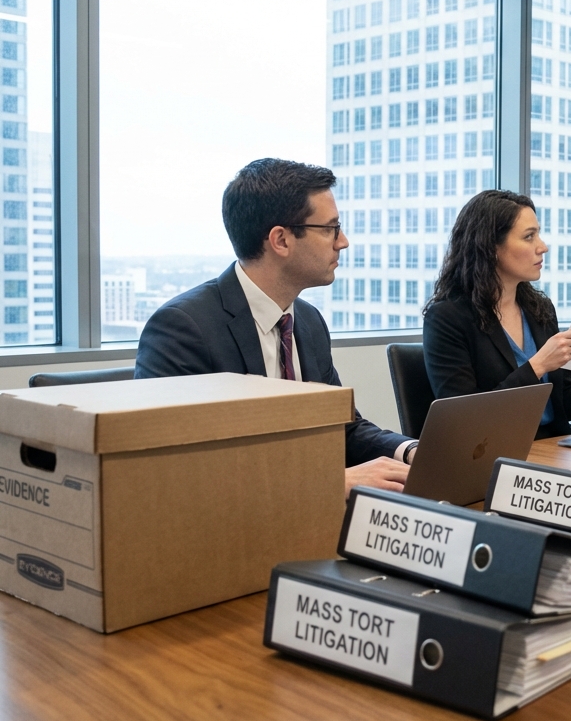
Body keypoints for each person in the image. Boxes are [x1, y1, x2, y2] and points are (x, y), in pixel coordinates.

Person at [135, 158, 414, 498]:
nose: (343, 242)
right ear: (281, 240)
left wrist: (411, 451)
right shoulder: (183, 328)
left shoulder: (308, 321)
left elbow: (343, 428)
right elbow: (175, 470)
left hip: (310, 519)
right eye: (330, 228)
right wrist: (327, 483)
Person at [421, 190, 571, 439]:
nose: (543, 247)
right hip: (489, 452)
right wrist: (538, 366)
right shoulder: (446, 318)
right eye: (529, 237)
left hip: (550, 447)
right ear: (490, 247)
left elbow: (562, 405)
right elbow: (463, 417)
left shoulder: (539, 309)